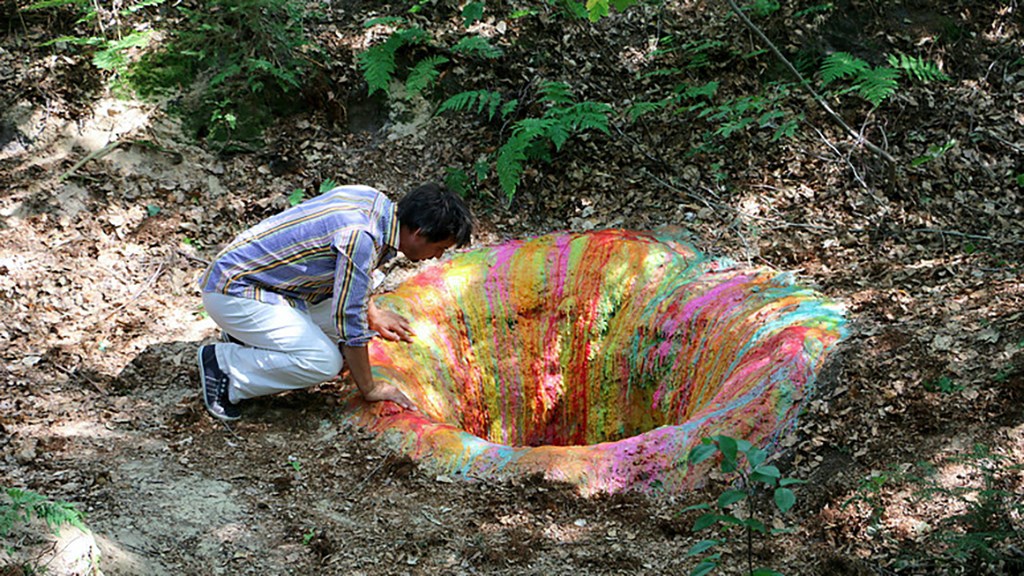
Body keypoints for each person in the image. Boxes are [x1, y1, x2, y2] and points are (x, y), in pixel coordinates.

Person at [196, 182, 474, 421]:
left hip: (268, 284)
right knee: (323, 362)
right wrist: (370, 388)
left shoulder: (373, 201)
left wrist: (373, 313)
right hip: (235, 289)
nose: (437, 256)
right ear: (419, 233)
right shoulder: (362, 237)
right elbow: (349, 320)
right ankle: (225, 368)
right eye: (439, 248)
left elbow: (354, 283)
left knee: (350, 338)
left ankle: (247, 339)